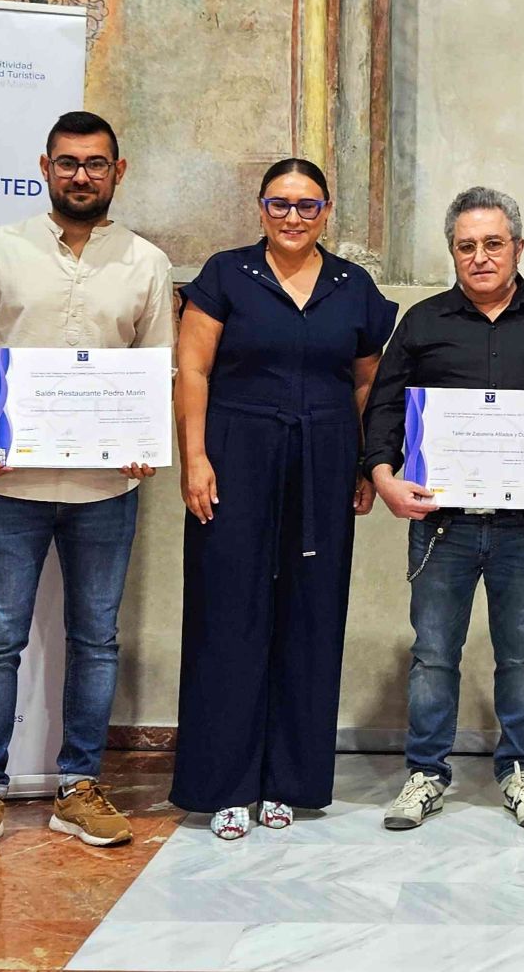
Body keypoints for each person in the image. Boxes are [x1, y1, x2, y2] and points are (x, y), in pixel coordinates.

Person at [0, 110, 174, 861]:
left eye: (96, 163)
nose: (81, 176)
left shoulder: (147, 263)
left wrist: (142, 440)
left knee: (96, 640)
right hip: (8, 486)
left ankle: (77, 787)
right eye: (68, 162)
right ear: (45, 166)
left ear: (117, 172)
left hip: (105, 490)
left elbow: (158, 366)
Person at [363, 187, 524, 831]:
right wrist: (384, 478)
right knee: (434, 653)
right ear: (452, 253)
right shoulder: (422, 323)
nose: (480, 257)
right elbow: (385, 406)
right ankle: (425, 773)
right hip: (440, 524)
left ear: (518, 249)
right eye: (466, 246)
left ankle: (518, 770)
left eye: (493, 244)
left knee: (521, 653)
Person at [168, 158, 397, 839]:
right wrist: (197, 457)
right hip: (236, 455)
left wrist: (364, 460)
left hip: (325, 460)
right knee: (228, 612)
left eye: (307, 205)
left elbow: (366, 384)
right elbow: (194, 369)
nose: (293, 217)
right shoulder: (226, 274)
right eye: (279, 204)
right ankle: (225, 783)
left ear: (327, 210)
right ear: (260, 208)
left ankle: (289, 780)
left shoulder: (353, 286)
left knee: (311, 612)